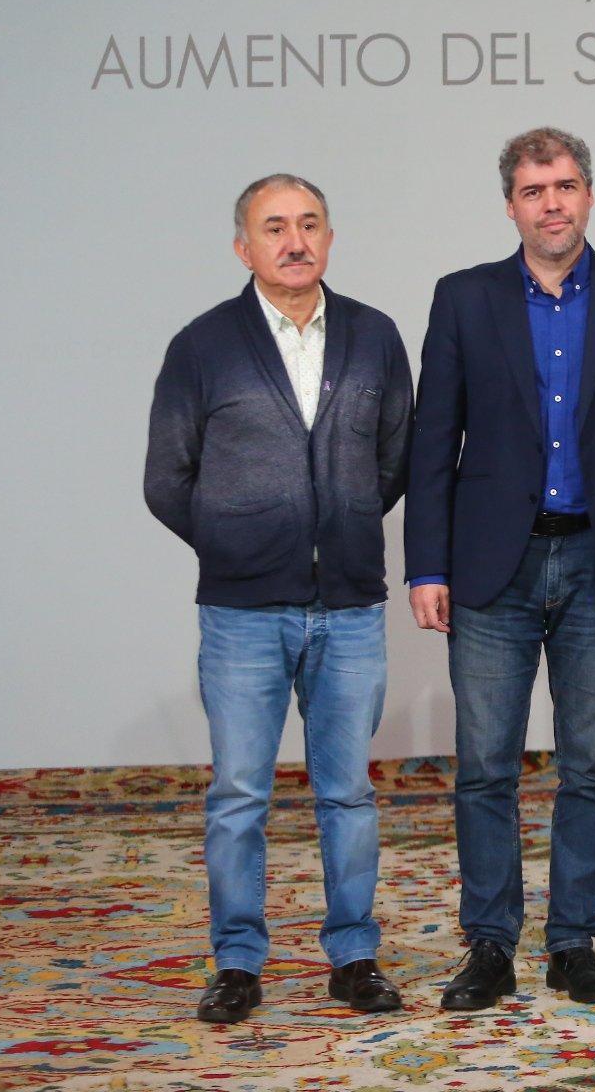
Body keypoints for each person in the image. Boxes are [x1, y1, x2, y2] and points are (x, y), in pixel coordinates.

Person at [403, 128, 595, 1007]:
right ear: (511, 206)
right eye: (534, 191)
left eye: (565, 186)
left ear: (588, 195)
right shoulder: (463, 298)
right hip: (493, 564)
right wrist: (425, 566)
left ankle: (573, 943)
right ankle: (490, 944)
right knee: (485, 765)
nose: (552, 203)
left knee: (592, 764)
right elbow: (432, 441)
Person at [145, 174, 412, 1024]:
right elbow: (167, 478)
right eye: (274, 228)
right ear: (243, 247)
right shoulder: (203, 346)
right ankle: (237, 963)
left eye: (309, 224)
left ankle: (355, 956)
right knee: (238, 796)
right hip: (242, 615)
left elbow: (395, 461)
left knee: (348, 793)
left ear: (329, 237)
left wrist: (339, 527)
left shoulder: (374, 336)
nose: (295, 242)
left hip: (350, 607)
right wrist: (241, 544)